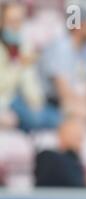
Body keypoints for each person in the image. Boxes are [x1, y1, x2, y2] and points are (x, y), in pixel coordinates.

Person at [0, 1, 60, 131]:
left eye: (19, 21)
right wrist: (17, 65)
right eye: (11, 21)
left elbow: (29, 81)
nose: (16, 26)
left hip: (19, 99)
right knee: (35, 119)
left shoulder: (23, 45)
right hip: (5, 100)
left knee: (57, 118)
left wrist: (36, 102)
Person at [34, 117, 86, 187]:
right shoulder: (48, 157)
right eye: (74, 134)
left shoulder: (76, 159)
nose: (80, 137)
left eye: (80, 134)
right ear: (61, 134)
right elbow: (75, 182)